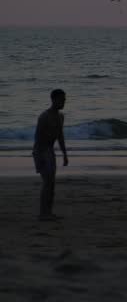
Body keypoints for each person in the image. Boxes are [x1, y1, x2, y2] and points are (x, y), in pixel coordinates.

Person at [33, 89, 69, 221]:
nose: (64, 102)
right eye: (61, 99)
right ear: (53, 100)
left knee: (52, 183)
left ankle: (49, 212)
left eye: (65, 99)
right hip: (41, 151)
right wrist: (41, 158)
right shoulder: (44, 117)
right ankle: (43, 213)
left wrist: (65, 154)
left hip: (50, 151)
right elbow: (38, 138)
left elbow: (60, 136)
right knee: (47, 182)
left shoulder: (60, 117)